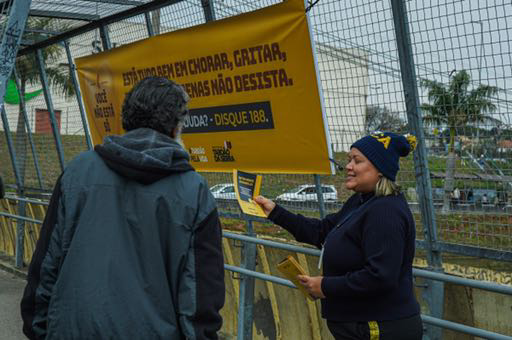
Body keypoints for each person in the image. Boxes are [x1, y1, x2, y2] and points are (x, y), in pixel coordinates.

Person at [20, 77, 225, 340]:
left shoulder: (78, 172)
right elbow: (199, 294)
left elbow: (47, 262)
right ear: (176, 127)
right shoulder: (194, 192)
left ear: (126, 119)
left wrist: (38, 329)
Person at [255, 132, 422, 340]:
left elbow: (380, 276)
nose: (348, 166)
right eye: (349, 160)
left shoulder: (385, 211)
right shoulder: (361, 201)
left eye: (357, 161)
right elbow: (322, 232)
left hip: (378, 328)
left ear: (380, 169)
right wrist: (275, 212)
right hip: (362, 326)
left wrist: (324, 286)